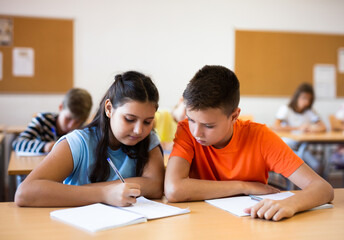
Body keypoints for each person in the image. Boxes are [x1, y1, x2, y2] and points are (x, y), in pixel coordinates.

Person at [164, 65, 333, 221]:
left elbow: (323, 189)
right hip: (199, 222)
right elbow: (173, 190)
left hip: (251, 224)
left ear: (234, 116)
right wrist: (243, 186)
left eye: (209, 125)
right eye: (191, 120)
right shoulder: (186, 130)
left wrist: (291, 203)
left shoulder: (260, 137)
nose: (196, 132)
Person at [15, 71, 165, 207]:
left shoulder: (148, 140)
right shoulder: (78, 143)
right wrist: (104, 193)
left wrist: (79, 192)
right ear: (109, 109)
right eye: (129, 119)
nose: (139, 130)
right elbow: (25, 193)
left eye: (147, 122)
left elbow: (155, 185)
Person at [12, 88, 93, 154]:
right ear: (61, 107)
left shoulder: (83, 129)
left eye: (78, 121)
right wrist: (45, 147)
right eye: (68, 118)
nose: (71, 126)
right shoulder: (42, 120)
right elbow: (18, 144)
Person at [272, 83, 326, 174]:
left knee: (317, 166)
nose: (307, 102)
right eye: (304, 98)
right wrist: (298, 128)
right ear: (297, 97)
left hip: (302, 145)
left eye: (309, 99)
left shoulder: (309, 111)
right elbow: (276, 127)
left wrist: (312, 129)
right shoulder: (286, 109)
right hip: (288, 145)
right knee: (297, 165)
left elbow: (323, 127)